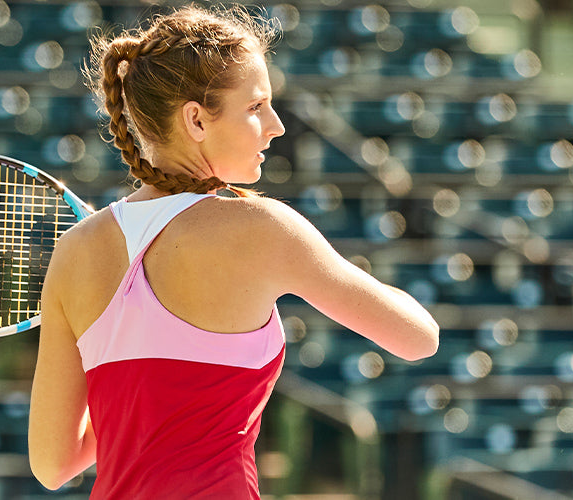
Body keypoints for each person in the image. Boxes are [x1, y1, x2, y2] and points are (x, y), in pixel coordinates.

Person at [27, 5, 440, 498]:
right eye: (255, 106)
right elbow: (419, 338)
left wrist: (139, 402)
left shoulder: (74, 251)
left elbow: (53, 465)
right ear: (196, 120)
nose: (276, 125)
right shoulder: (264, 229)